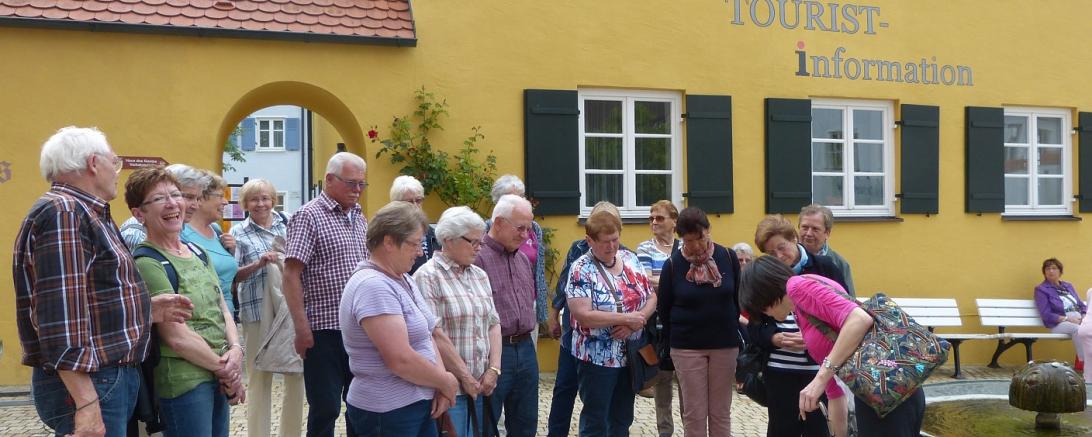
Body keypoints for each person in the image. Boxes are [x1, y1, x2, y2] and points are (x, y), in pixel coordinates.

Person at [14, 127, 193, 437]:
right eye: (115, 162)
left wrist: (144, 310)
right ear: (94, 164)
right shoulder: (66, 212)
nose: (116, 171)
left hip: (103, 377)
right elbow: (62, 319)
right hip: (94, 380)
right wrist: (86, 405)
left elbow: (87, 299)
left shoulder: (82, 211)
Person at [739, 256, 926, 436]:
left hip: (885, 388)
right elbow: (835, 394)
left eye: (762, 307)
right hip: (878, 390)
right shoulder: (801, 312)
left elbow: (860, 319)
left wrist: (819, 379)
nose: (765, 314)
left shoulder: (797, 286)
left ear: (767, 292)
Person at [127, 167, 244, 437]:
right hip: (184, 380)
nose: (172, 203)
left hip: (217, 372)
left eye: (176, 195)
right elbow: (176, 337)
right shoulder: (147, 261)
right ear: (139, 213)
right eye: (159, 199)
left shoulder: (198, 251)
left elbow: (222, 306)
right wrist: (227, 371)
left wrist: (236, 350)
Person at [340, 201, 459, 436]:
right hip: (388, 412)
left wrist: (439, 383)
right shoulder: (374, 286)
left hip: (414, 404)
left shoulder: (402, 279)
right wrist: (446, 381)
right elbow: (400, 359)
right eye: (414, 244)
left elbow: (427, 334)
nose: (419, 252)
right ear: (389, 242)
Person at [283, 152, 371, 437]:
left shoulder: (358, 216)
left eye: (362, 185)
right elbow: (291, 274)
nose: (357, 190)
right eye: (351, 184)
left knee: (360, 405)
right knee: (326, 408)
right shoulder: (308, 215)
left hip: (359, 329)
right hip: (324, 330)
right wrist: (301, 328)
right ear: (330, 180)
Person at [751, 214, 848, 437]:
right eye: (771, 253)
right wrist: (772, 337)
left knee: (818, 428)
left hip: (817, 367)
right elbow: (755, 322)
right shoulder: (765, 276)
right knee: (782, 429)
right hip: (779, 368)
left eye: (781, 248)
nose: (779, 256)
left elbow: (845, 313)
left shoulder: (823, 266)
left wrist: (813, 339)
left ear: (794, 238)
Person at [565, 207, 657, 436]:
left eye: (615, 240)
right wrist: (626, 318)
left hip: (630, 355)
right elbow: (582, 314)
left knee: (623, 417)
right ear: (589, 240)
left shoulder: (630, 259)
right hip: (596, 358)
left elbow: (652, 296)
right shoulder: (580, 269)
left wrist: (637, 321)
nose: (612, 246)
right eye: (605, 242)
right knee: (596, 419)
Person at [413, 206, 501, 436]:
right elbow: (434, 335)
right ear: (448, 239)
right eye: (473, 242)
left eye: (480, 242)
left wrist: (494, 369)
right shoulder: (427, 276)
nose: (479, 248)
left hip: (483, 386)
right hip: (451, 390)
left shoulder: (479, 275)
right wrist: (466, 378)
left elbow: (493, 322)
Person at [656, 207, 742, 437]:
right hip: (686, 347)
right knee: (694, 413)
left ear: (708, 231)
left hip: (725, 344)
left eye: (700, 238)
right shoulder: (672, 265)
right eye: (688, 240)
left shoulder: (728, 257)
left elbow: (737, 300)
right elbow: (664, 309)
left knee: (720, 412)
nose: (695, 245)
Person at [546, 201, 628, 437]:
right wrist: (554, 315)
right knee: (564, 387)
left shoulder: (625, 255)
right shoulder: (578, 248)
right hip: (573, 331)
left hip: (608, 340)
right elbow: (563, 283)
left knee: (603, 402)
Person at [229, 178, 304, 437]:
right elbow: (233, 276)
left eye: (265, 198)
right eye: (254, 199)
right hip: (256, 312)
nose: (260, 204)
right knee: (259, 377)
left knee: (296, 375)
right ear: (245, 204)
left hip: (289, 312)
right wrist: (259, 264)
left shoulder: (290, 224)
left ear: (273, 199)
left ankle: (291, 433)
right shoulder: (238, 233)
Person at [474, 194, 539, 437]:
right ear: (499, 223)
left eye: (528, 229)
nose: (525, 235)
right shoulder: (477, 259)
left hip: (525, 348)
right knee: (487, 423)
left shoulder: (522, 258)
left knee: (526, 424)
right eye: (520, 228)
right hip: (495, 352)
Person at [634, 200, 680, 437]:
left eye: (660, 218)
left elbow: (658, 280)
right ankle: (665, 432)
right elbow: (645, 281)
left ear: (674, 221)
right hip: (658, 327)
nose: (653, 222)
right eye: (651, 218)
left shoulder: (684, 248)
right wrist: (676, 283)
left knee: (687, 383)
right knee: (662, 383)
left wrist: (662, 282)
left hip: (683, 325)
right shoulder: (644, 248)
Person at [490, 175, 548, 334]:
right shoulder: (488, 229)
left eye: (520, 197)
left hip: (530, 304)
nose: (518, 202)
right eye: (511, 198)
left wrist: (540, 310)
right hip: (502, 309)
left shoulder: (534, 229)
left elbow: (539, 272)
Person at [181, 171, 239, 316]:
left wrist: (231, 251)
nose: (225, 201)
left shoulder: (216, 230)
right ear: (201, 199)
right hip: (201, 319)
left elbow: (227, 277)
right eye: (220, 196)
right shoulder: (181, 232)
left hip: (226, 317)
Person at [119, 164, 209, 250]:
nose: (196, 206)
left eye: (175, 195)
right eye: (189, 197)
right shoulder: (137, 235)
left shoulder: (173, 226)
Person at [1034, 258, 1087, 365]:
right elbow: (1046, 315)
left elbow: (1081, 305)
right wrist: (1068, 319)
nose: (1051, 271)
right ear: (1044, 272)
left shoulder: (1068, 286)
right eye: (1047, 269)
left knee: (1086, 328)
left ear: (1060, 271)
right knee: (1078, 329)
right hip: (1059, 324)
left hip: (1079, 319)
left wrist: (1084, 316)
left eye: (1054, 268)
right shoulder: (1041, 289)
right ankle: (1086, 363)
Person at [798, 203, 855, 295]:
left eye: (815, 229)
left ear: (827, 233)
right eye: (805, 227)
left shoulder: (839, 264)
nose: (808, 233)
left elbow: (850, 302)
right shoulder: (789, 259)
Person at [390, 175, 441, 274]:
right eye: (409, 202)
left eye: (418, 200)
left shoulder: (432, 233)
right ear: (397, 204)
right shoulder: (393, 235)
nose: (415, 206)